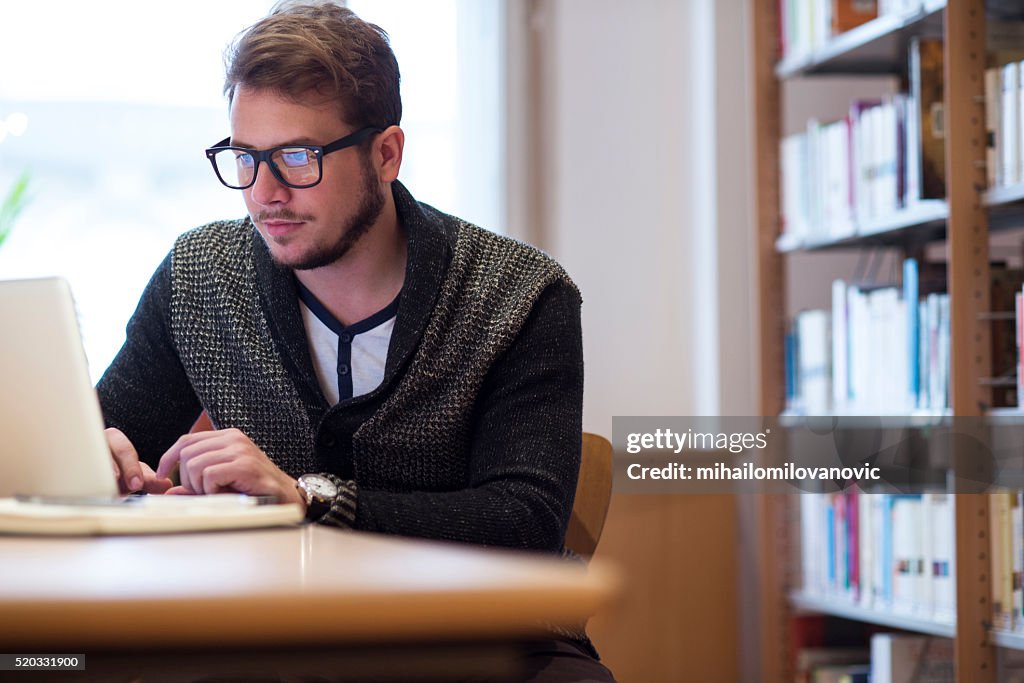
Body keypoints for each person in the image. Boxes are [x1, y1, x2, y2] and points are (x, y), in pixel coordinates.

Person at [96, 2, 615, 680]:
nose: (265, 193)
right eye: (244, 158)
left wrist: (307, 498)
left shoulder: (519, 295)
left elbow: (521, 522)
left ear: (386, 153)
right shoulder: (201, 278)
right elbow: (109, 431)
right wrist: (97, 456)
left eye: (297, 156)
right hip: (269, 628)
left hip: (482, 632)